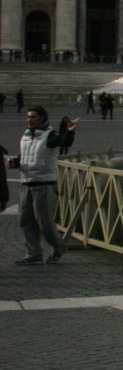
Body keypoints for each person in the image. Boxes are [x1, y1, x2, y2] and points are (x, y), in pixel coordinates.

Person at [11, 106, 79, 265]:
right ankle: (33, 254)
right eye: (28, 117)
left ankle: (59, 247)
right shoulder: (27, 135)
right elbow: (26, 156)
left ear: (42, 118)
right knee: (25, 220)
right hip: (26, 183)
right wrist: (16, 162)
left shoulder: (50, 135)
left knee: (44, 222)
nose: (29, 119)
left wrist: (69, 131)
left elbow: (64, 141)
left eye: (33, 117)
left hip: (43, 185)